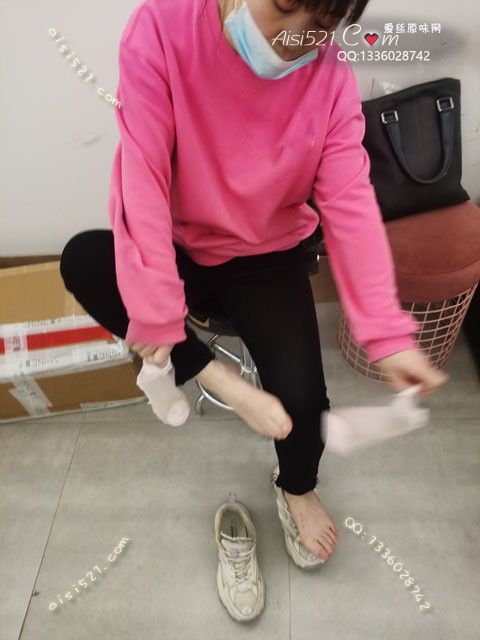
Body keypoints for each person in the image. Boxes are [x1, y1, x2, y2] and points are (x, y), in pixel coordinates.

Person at [60, 0, 448, 564]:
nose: (294, 38)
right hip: (178, 240)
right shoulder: (162, 28)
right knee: (85, 259)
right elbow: (142, 175)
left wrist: (386, 334)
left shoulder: (329, 82)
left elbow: (350, 202)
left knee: (304, 406)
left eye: (320, 26)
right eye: (283, 6)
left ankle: (297, 489)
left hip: (265, 253)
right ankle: (213, 374)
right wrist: (158, 308)